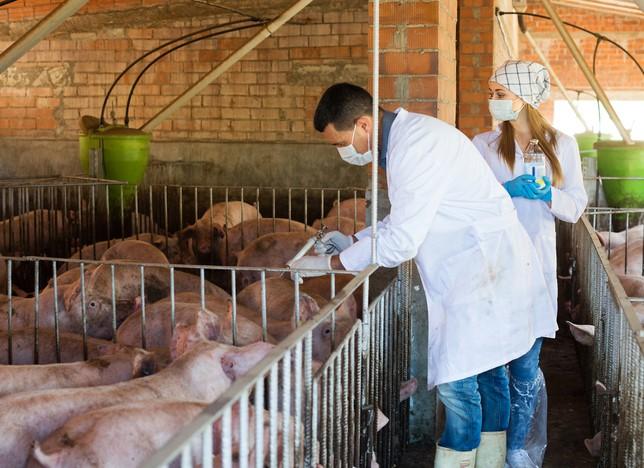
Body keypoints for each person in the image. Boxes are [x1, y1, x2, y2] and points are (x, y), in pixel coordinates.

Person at [289, 83, 553, 468]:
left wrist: (330, 265)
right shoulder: (412, 140)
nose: (342, 152)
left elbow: (402, 241)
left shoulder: (415, 148)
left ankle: (459, 461)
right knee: (489, 376)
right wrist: (351, 239)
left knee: (460, 388)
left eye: (339, 142)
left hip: (482, 274)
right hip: (482, 269)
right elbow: (405, 218)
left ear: (364, 125)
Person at [472, 60, 587, 468]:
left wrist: (548, 195)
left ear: (525, 99)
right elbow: (472, 203)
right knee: (489, 364)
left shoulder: (561, 144)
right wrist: (506, 190)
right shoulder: (482, 145)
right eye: (491, 93)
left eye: (499, 94)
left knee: (525, 364)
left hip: (535, 266)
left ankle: (517, 448)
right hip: (492, 265)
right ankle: (490, 447)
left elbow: (575, 207)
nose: (492, 101)